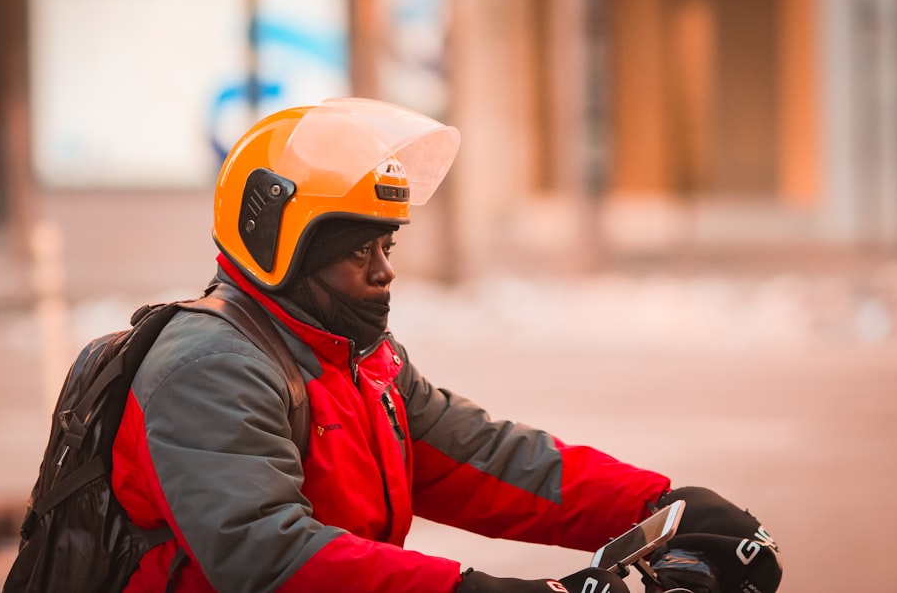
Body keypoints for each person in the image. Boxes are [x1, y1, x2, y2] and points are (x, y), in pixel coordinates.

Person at [110, 98, 782, 592]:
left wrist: (662, 505)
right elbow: (267, 557)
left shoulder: (355, 360)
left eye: (386, 243)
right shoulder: (208, 368)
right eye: (355, 251)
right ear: (277, 248)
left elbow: (487, 460)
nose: (384, 269)